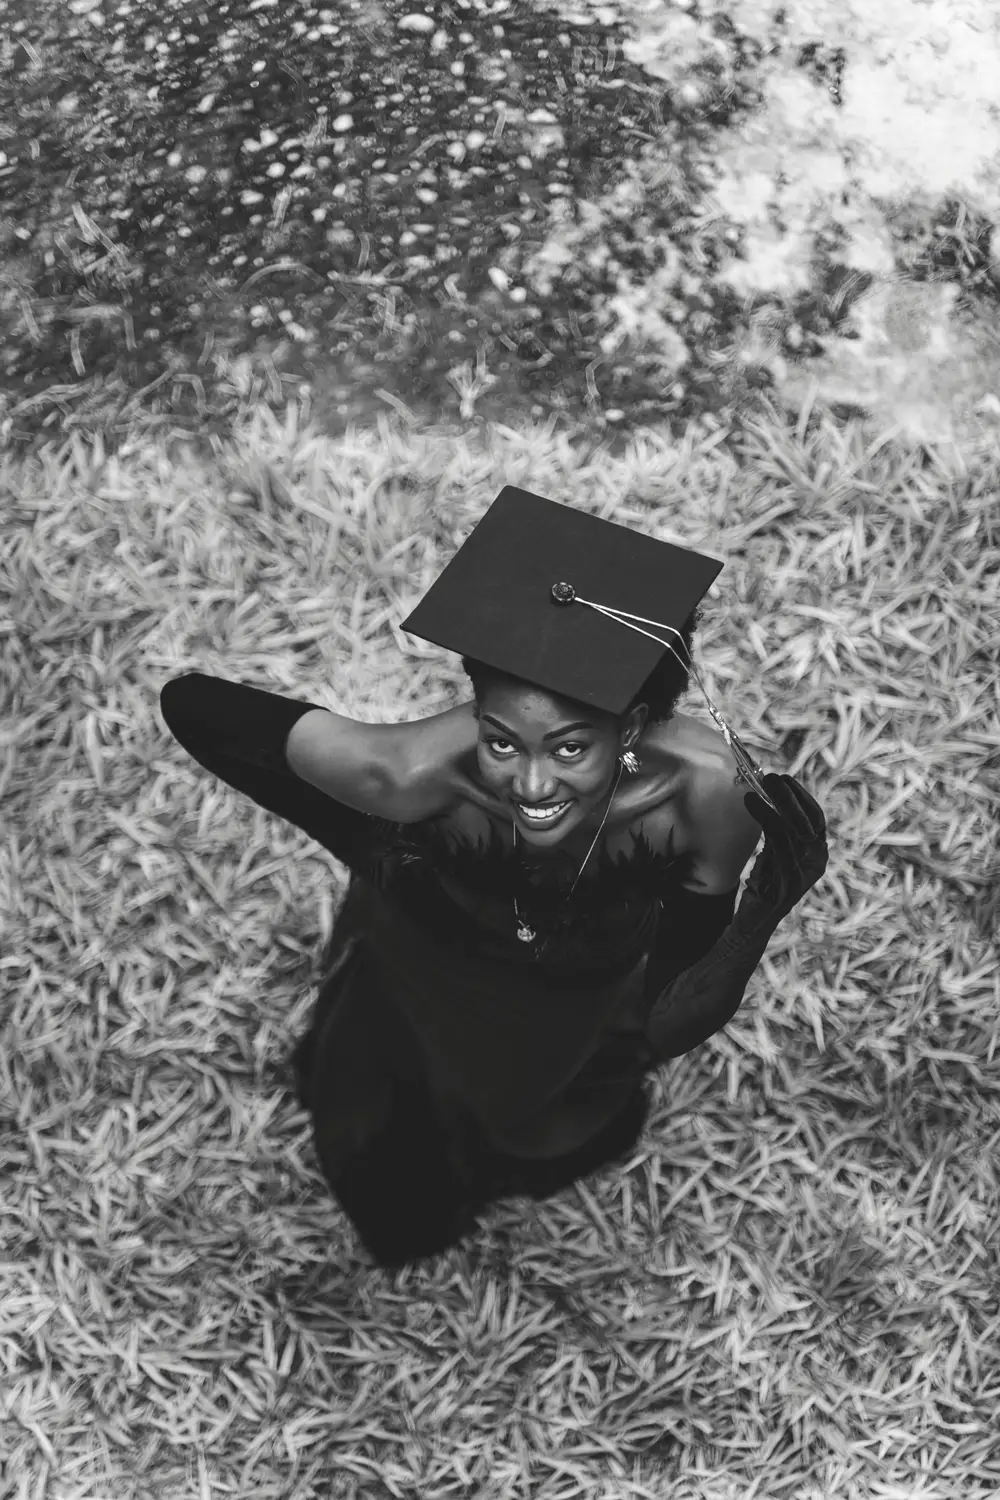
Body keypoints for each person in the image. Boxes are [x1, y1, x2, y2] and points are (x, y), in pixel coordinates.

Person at [160, 485, 828, 1269]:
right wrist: (383, 814)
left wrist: (760, 917)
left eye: (571, 748)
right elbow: (192, 707)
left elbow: (664, 1014)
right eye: (502, 740)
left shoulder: (709, 793)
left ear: (639, 727)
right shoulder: (409, 776)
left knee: (532, 1105)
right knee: (391, 1104)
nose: (533, 787)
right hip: (419, 956)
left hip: (569, 1000)